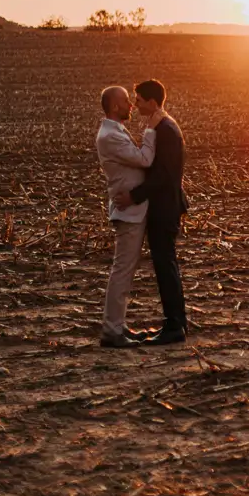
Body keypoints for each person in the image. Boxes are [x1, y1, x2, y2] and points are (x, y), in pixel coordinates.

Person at [115, 79, 189, 346]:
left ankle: (175, 327)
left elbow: (163, 176)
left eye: (139, 99)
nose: (135, 104)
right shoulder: (162, 126)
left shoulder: (166, 129)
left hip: (165, 208)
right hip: (164, 206)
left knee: (165, 265)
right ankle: (175, 324)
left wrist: (134, 196)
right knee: (165, 264)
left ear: (153, 102)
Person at [96, 85, 163, 348]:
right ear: (115, 107)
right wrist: (151, 129)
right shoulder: (110, 136)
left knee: (124, 270)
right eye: (126, 101)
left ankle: (118, 326)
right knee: (122, 271)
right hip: (129, 211)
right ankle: (112, 331)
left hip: (131, 209)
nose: (131, 105)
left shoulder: (115, 131)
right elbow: (145, 159)